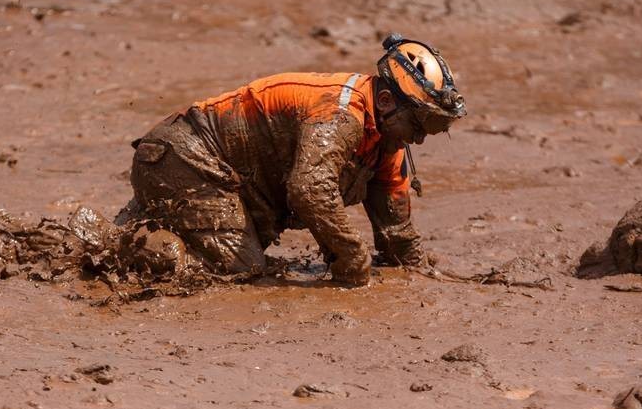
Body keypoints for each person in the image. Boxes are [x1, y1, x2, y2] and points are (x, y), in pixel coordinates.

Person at [115, 34, 467, 286]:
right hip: (186, 159)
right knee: (241, 267)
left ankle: (145, 228)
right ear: (388, 101)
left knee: (244, 254)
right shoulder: (341, 114)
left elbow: (398, 235)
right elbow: (310, 189)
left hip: (220, 174)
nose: (420, 138)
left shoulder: (387, 140)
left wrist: (424, 273)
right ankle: (121, 248)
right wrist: (351, 256)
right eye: (419, 124)